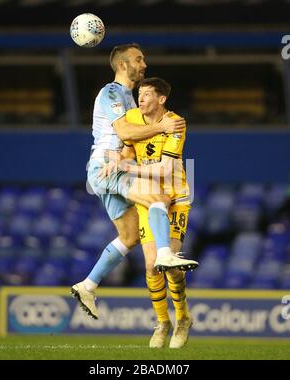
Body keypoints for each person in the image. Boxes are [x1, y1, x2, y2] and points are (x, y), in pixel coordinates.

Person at [71, 43, 198, 319]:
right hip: (106, 165)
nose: (144, 64)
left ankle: (88, 285)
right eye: (139, 59)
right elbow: (124, 129)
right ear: (122, 65)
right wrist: (161, 127)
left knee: (129, 236)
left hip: (113, 166)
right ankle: (165, 253)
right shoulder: (112, 92)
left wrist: (125, 154)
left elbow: (129, 139)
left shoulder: (130, 98)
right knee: (158, 197)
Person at [119, 77, 194, 349]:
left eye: (147, 94)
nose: (141, 98)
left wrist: (128, 169)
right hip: (148, 198)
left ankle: (183, 318)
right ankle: (163, 322)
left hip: (175, 198)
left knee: (170, 265)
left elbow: (165, 170)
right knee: (151, 265)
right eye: (140, 93)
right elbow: (127, 147)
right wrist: (122, 160)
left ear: (161, 99)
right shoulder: (132, 117)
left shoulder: (176, 123)